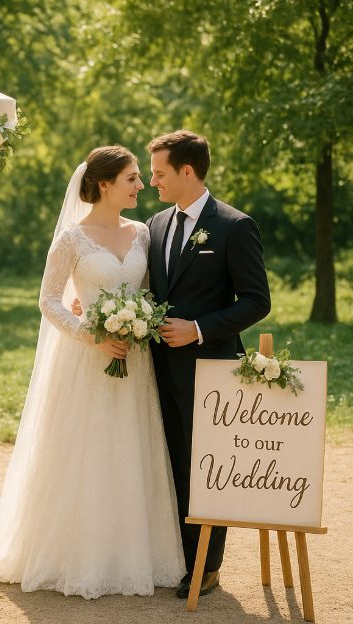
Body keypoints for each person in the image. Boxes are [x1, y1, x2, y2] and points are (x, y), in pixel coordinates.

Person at [0, 146, 185, 599]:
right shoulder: (71, 239)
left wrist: (136, 321)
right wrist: (93, 334)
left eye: (141, 177)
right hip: (89, 358)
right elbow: (47, 300)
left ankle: (133, 553)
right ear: (104, 184)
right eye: (132, 178)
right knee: (84, 451)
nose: (141, 185)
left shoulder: (143, 233)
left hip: (135, 360)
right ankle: (76, 554)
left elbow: (146, 292)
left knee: (131, 448)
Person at [145, 130, 271, 598]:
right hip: (157, 369)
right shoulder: (155, 225)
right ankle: (181, 555)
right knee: (173, 462)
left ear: (187, 171)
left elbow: (257, 301)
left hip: (211, 368)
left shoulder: (235, 226)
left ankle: (207, 566)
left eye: (159, 172)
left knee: (207, 466)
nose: (152, 180)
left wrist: (198, 328)